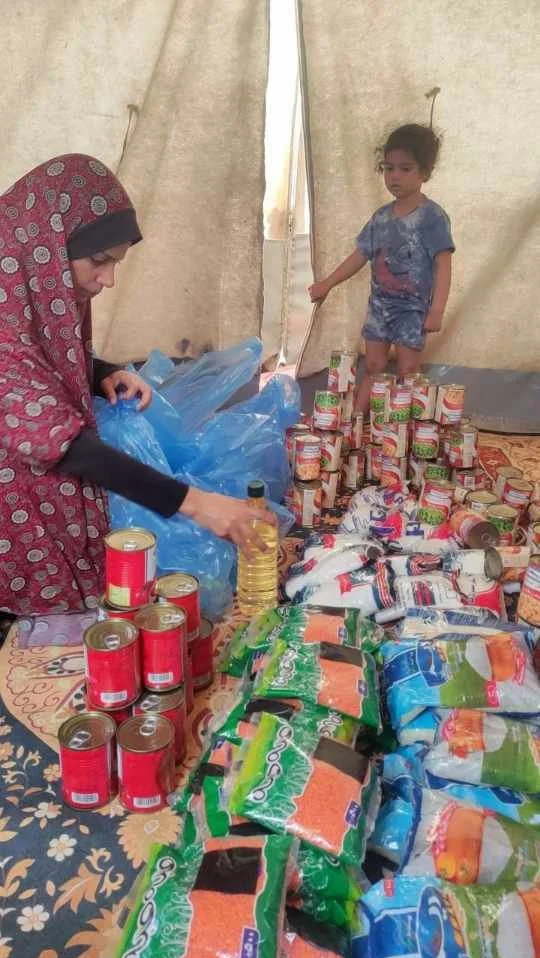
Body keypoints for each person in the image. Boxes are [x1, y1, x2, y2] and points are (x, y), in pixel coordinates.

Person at [0, 153, 275, 616]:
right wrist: (195, 503)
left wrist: (103, 371)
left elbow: (38, 358)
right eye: (99, 261)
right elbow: (70, 448)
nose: (107, 280)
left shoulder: (24, 287)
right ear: (43, 244)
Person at [309, 124, 454, 412]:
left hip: (412, 309)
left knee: (408, 369)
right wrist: (327, 283)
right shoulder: (381, 218)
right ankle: (355, 423)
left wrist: (437, 310)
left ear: (424, 172)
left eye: (405, 168)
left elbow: (444, 266)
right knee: (373, 365)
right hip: (380, 306)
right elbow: (358, 256)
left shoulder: (432, 217)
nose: (395, 176)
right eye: (388, 168)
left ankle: (407, 429)